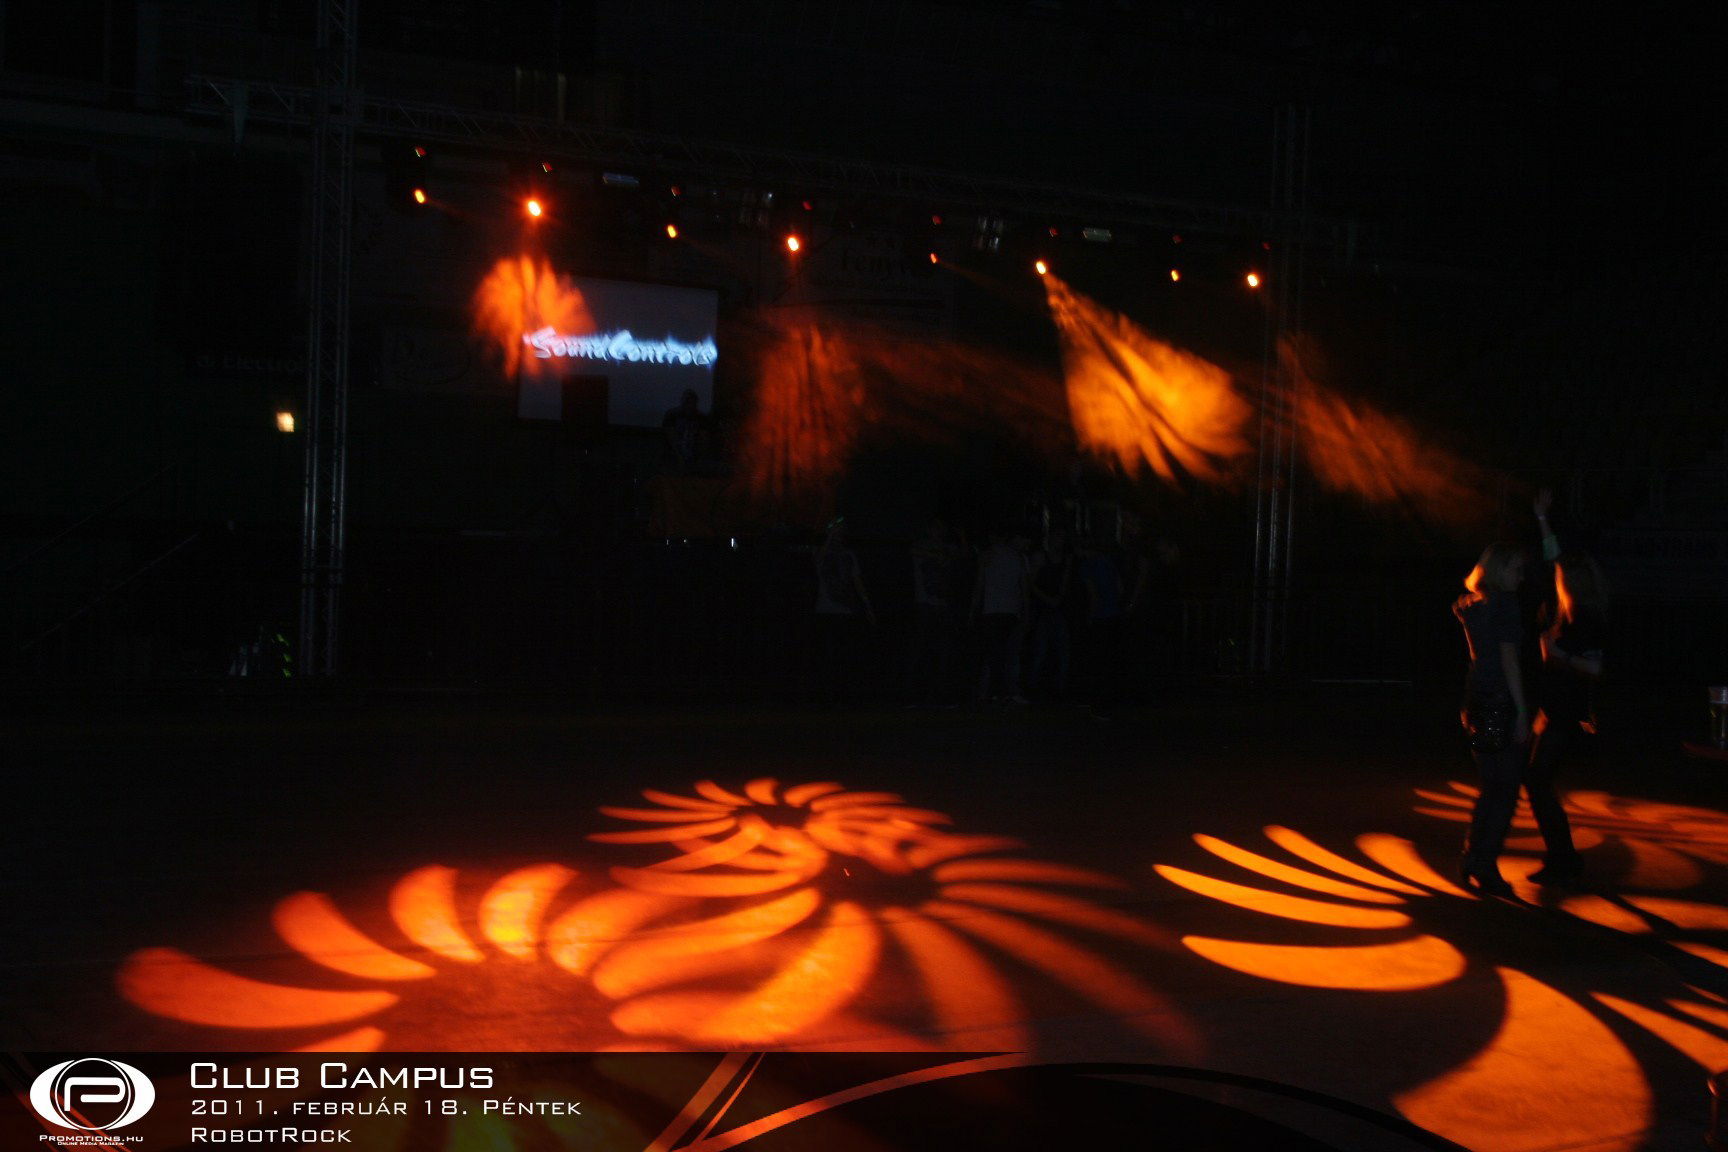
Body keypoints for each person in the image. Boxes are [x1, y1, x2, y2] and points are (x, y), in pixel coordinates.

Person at [1525, 489, 1607, 885]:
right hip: (1555, 711)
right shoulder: (1568, 613)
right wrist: (1542, 519)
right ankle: (1562, 857)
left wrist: (1556, 654)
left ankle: (1564, 858)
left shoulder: (1586, 620)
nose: (1555, 582)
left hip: (1566, 716)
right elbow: (1552, 561)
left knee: (1538, 781)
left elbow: (1595, 667)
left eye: (1562, 581)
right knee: (1537, 782)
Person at [1453, 541, 1531, 896]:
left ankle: (1473, 856)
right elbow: (1509, 662)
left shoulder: (1473, 605)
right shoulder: (1505, 605)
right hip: (1500, 701)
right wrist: (1522, 711)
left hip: (1477, 700)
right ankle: (1484, 863)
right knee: (1506, 790)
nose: (1521, 575)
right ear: (1500, 570)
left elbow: (1478, 658)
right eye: (1516, 568)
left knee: (1490, 787)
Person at [814, 518, 876, 697]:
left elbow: (857, 582)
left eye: (840, 531)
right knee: (827, 652)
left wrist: (867, 606)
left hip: (846, 609)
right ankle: (825, 693)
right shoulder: (821, 550)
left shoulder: (849, 554)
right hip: (826, 609)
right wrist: (829, 535)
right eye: (835, 531)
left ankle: (842, 693)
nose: (838, 534)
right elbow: (818, 561)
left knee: (844, 653)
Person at [971, 527, 1029, 704]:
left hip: (991, 610)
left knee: (992, 653)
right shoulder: (1017, 557)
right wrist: (1026, 611)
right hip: (1011, 610)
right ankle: (1008, 690)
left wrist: (973, 610)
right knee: (1009, 653)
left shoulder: (986, 556)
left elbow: (979, 584)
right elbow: (1024, 587)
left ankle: (989, 691)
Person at [1026, 527, 1077, 701]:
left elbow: (1065, 582)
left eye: (1062, 537)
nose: (1060, 541)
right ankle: (1034, 688)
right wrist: (1048, 599)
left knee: (1062, 651)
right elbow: (1031, 583)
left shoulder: (1066, 559)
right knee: (1040, 650)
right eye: (1057, 537)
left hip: (1059, 608)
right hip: (1044, 608)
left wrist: (1058, 598)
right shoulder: (1041, 557)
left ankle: (1059, 689)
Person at [661, 389, 708, 473]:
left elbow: (703, 439)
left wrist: (699, 458)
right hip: (673, 455)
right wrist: (679, 457)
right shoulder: (672, 415)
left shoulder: (701, 418)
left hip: (693, 454)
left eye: (692, 402)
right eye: (687, 402)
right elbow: (671, 438)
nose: (689, 405)